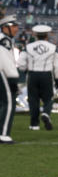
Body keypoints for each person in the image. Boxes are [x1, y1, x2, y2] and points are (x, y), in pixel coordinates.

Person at [18, 24, 58, 131]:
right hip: (46, 75)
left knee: (33, 100)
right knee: (48, 99)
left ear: (36, 35)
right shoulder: (53, 48)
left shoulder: (27, 47)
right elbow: (57, 66)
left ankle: (34, 125)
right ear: (47, 35)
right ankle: (46, 113)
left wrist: (26, 70)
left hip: (32, 75)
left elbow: (21, 65)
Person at [0, 15, 19, 144]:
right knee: (9, 103)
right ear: (5, 28)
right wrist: (13, 78)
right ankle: (4, 134)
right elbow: (6, 61)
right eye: (13, 26)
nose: (16, 29)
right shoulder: (4, 41)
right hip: (3, 74)